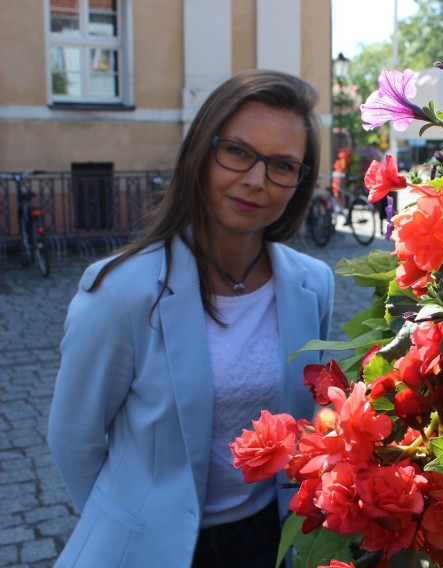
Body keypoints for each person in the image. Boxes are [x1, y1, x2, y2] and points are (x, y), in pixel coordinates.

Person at [47, 70, 334, 568]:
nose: (256, 180)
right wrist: (126, 524)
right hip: (156, 548)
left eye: (283, 165)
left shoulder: (312, 285)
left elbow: (307, 418)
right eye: (238, 152)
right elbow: (74, 439)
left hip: (272, 540)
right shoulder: (122, 292)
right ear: (202, 151)